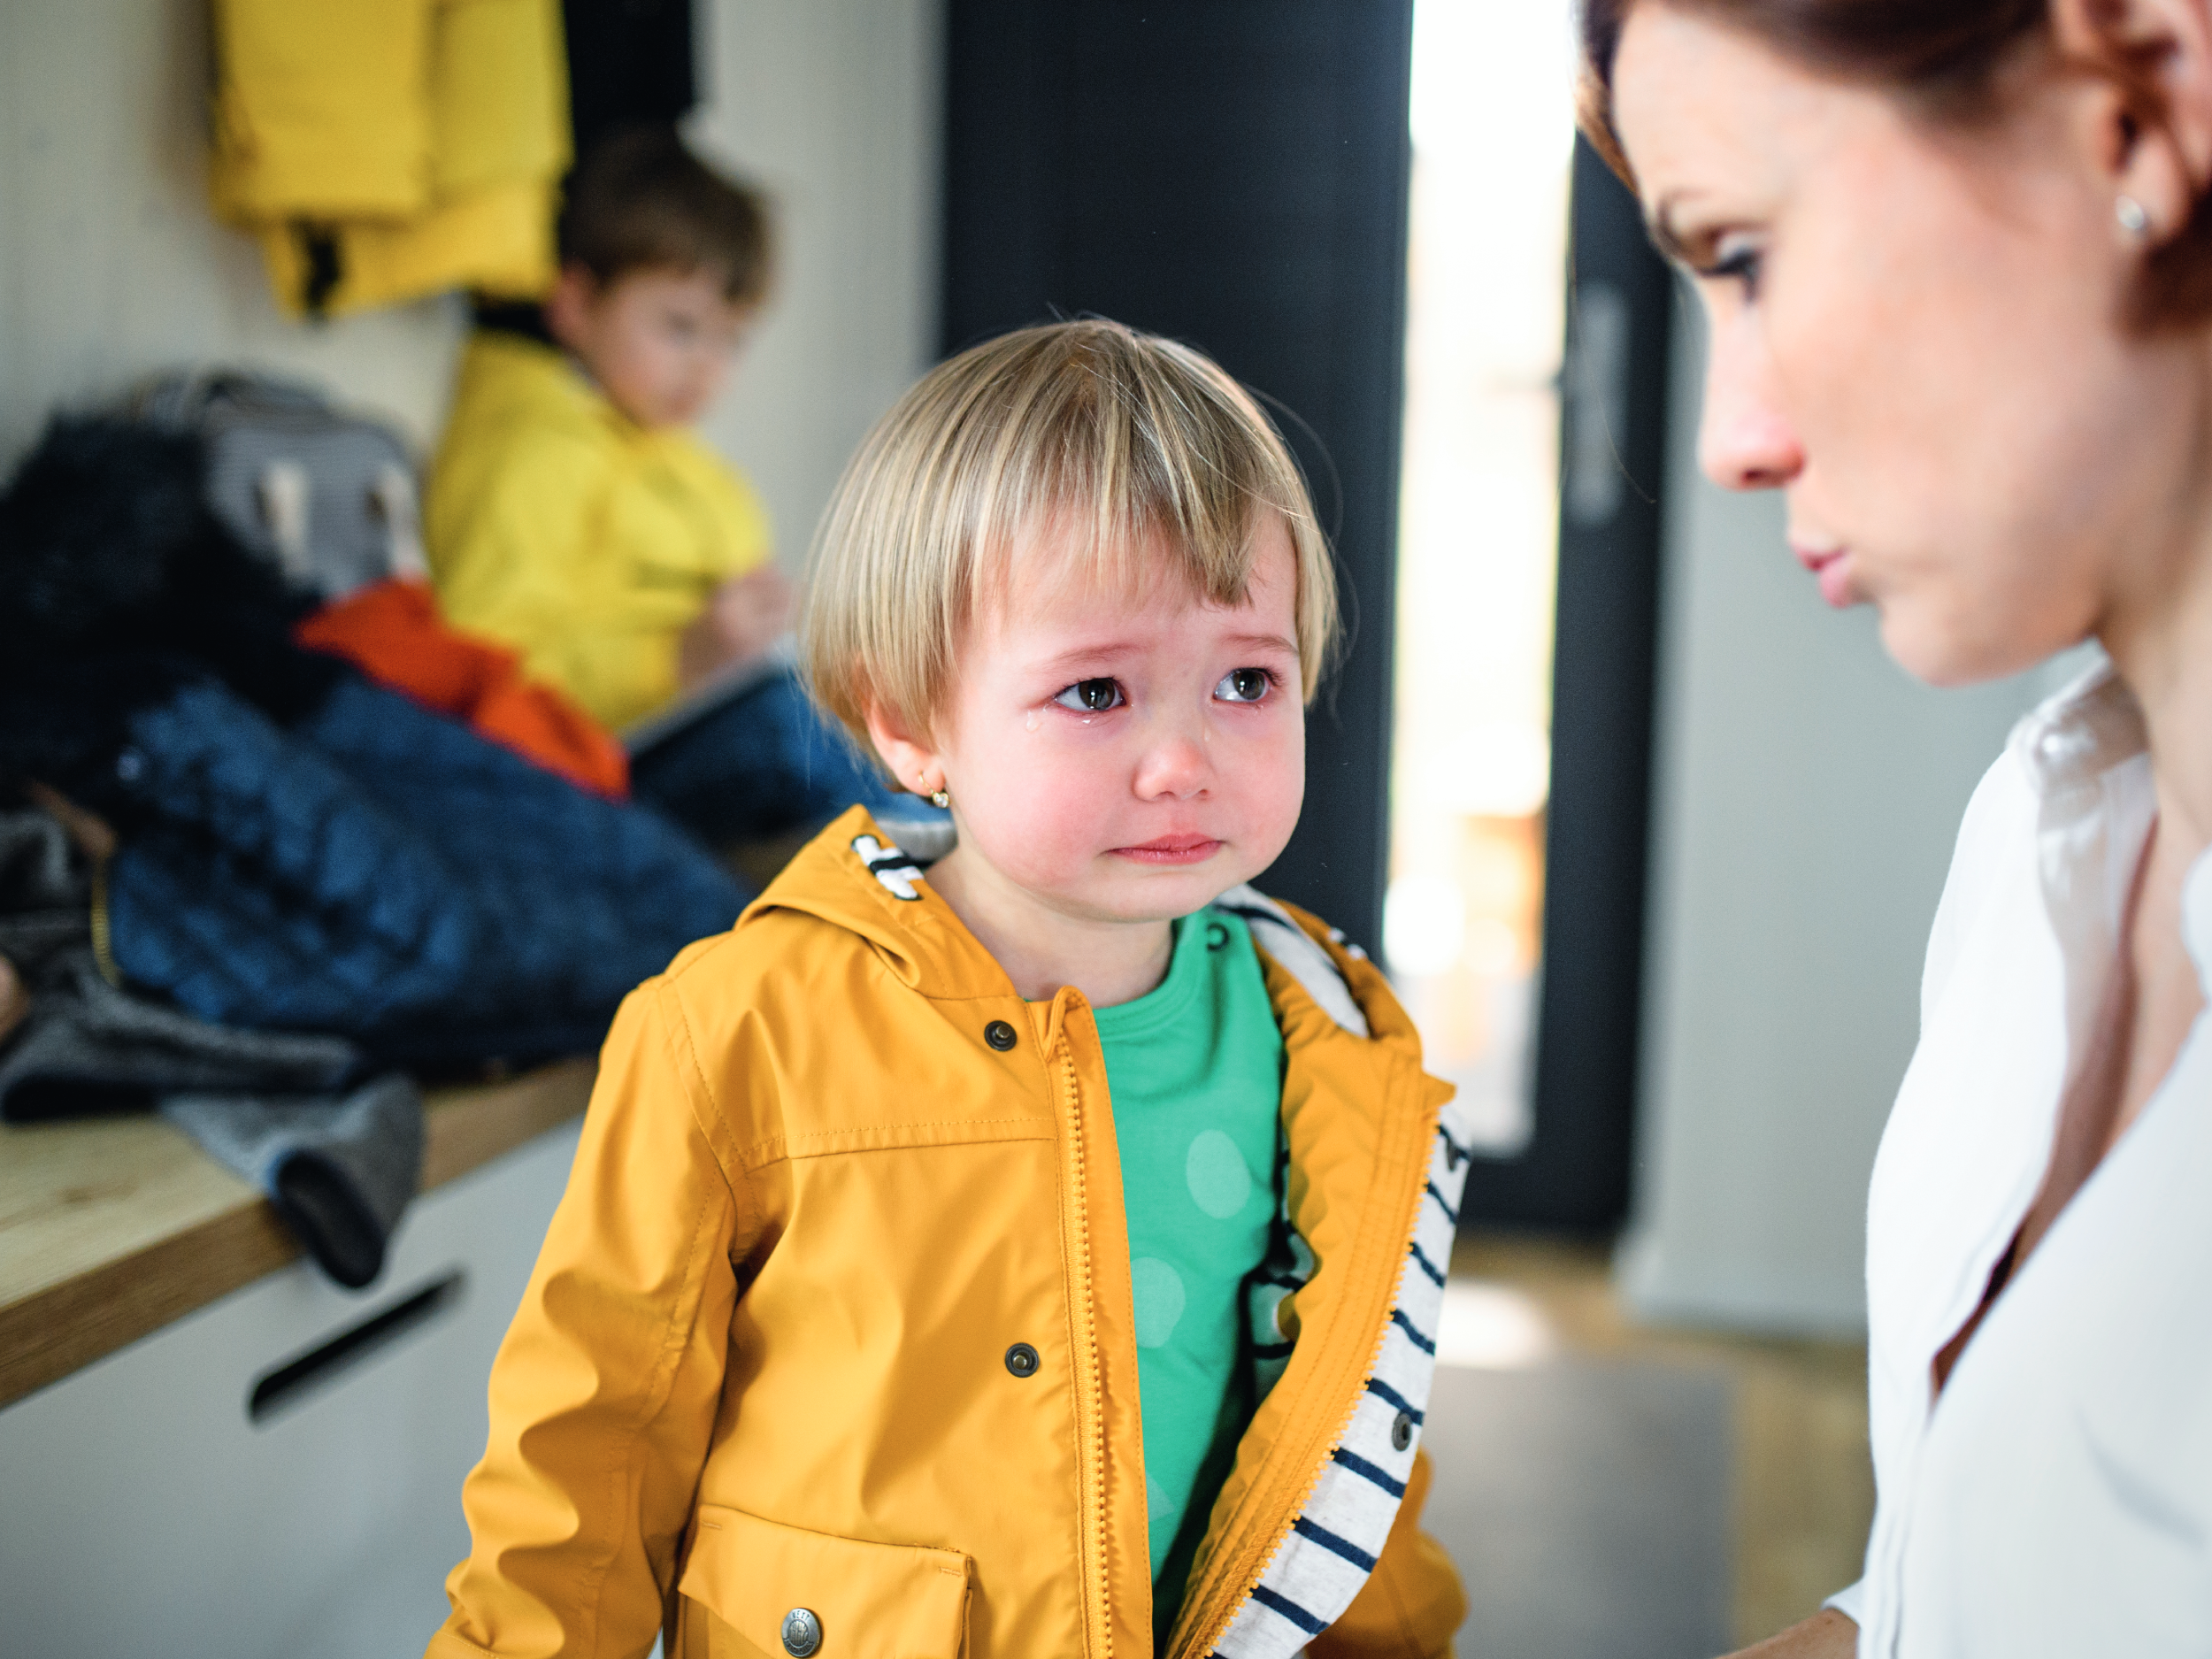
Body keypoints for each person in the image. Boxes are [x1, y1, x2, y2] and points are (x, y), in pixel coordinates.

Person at [423, 320, 1473, 1659]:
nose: (1183, 758)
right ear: (912, 724)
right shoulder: (735, 1027)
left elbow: (1349, 1444)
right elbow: (585, 1466)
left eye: (1246, 679)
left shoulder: (1327, 1042)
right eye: (1097, 689)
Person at [1579, 1, 2212, 1654]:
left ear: (2142, 98)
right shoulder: (2045, 842)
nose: (1730, 442)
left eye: (1745, 255)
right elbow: (1962, 1601)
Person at [426, 126, 895, 846]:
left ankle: (958, 881)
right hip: (589, 774)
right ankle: (958, 899)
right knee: (788, 730)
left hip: (698, 734)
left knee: (877, 705)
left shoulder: (694, 472)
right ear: (577, 305)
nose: (708, 368)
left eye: (731, 339)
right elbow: (481, 671)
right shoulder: (533, 454)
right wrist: (677, 660)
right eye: (680, 328)